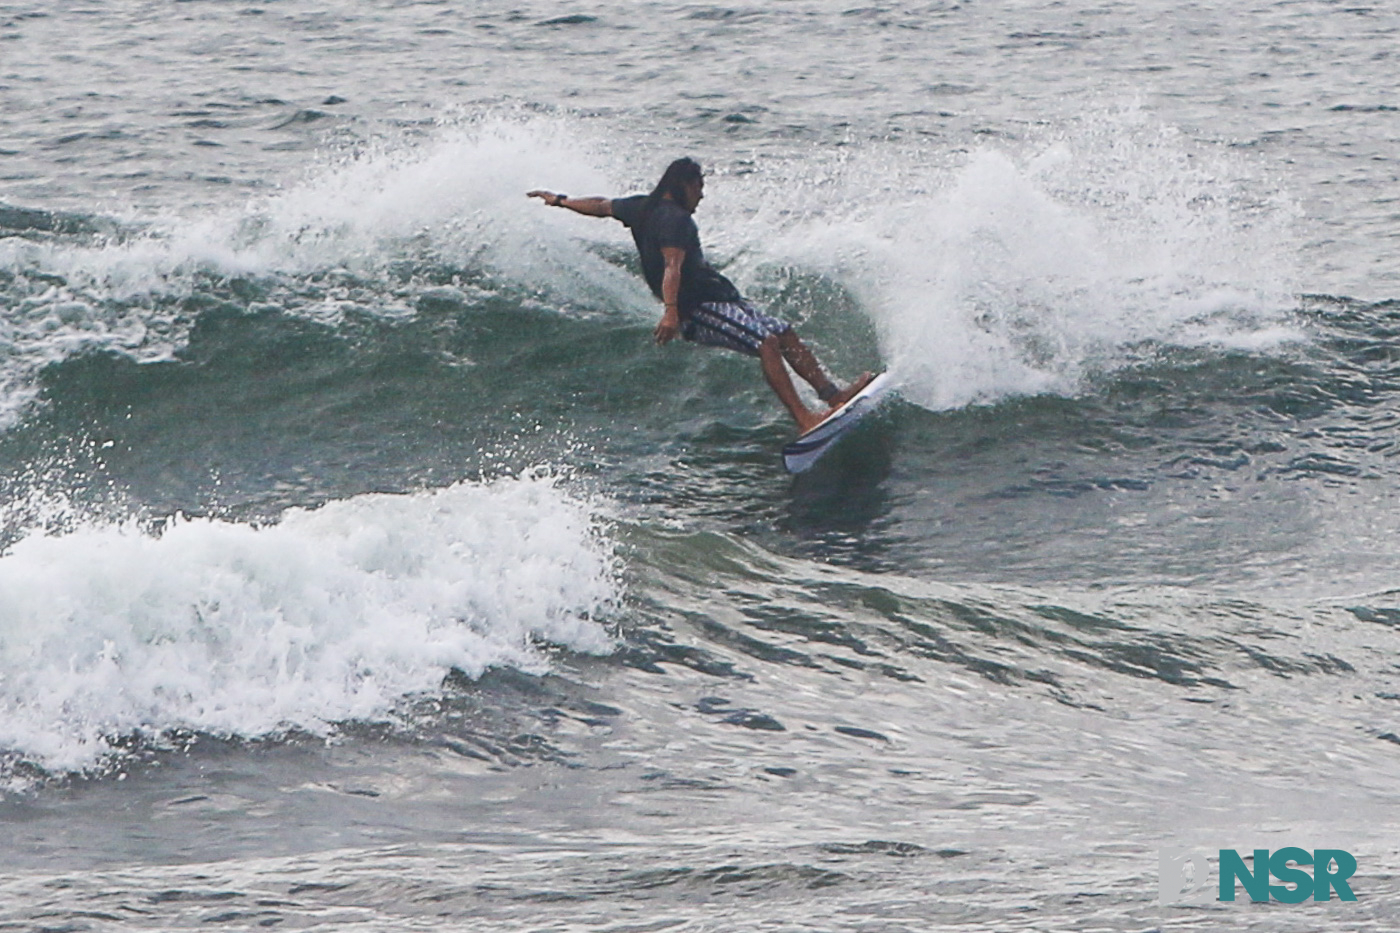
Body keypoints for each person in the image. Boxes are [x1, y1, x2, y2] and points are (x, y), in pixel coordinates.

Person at [527, 157, 872, 433]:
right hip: (699, 309)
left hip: (720, 299)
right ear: (685, 186)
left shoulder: (640, 207)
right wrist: (672, 313)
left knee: (782, 331)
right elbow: (672, 266)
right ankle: (804, 418)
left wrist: (560, 201)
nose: (702, 196)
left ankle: (832, 395)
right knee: (766, 340)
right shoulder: (677, 221)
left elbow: (601, 206)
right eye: (700, 187)